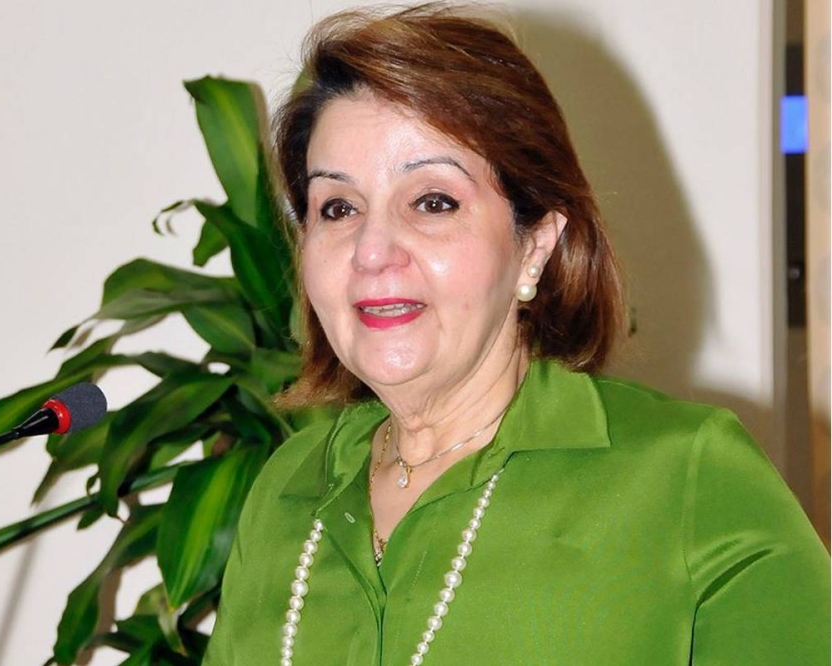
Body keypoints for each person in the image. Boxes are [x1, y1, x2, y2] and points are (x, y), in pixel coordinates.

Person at [201, 5, 830, 665]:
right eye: (338, 207)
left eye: (433, 202)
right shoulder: (287, 486)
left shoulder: (687, 473)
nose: (372, 250)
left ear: (535, 246)